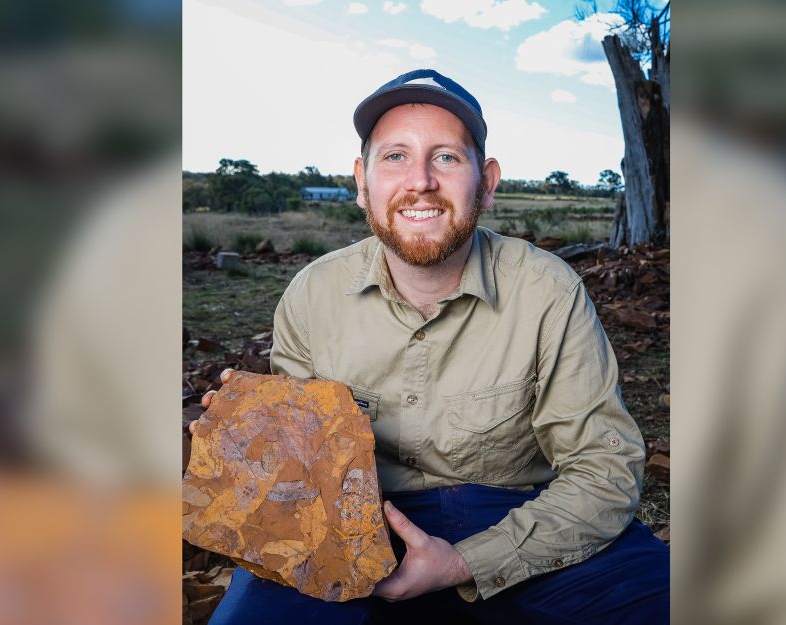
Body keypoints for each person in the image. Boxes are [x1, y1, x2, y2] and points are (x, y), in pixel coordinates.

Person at [202, 69, 669, 624]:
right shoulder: (312, 294)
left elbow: (603, 467)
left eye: (446, 157)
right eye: (394, 156)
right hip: (357, 520)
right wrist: (244, 441)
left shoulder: (546, 289)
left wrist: (466, 562)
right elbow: (300, 475)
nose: (419, 181)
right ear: (361, 180)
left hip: (516, 514)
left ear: (487, 181)